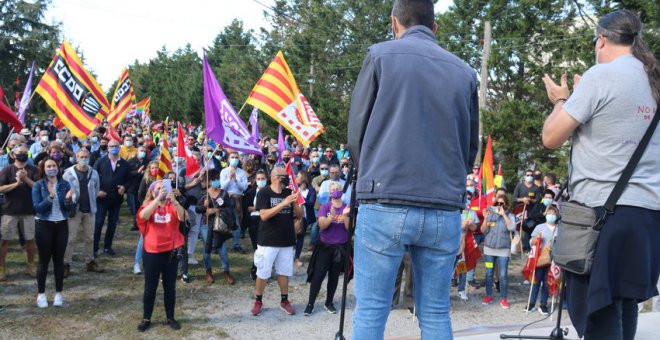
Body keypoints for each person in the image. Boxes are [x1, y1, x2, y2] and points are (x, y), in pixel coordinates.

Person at [346, 0, 479, 337]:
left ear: (395, 23)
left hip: (385, 197)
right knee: (435, 312)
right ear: (434, 28)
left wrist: (370, 174)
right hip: (443, 205)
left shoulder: (379, 56)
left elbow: (357, 132)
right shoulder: (465, 71)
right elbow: (470, 147)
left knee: (373, 309)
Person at [542, 9, 659, 340]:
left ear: (602, 39)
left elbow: (551, 137)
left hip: (602, 216)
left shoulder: (600, 76)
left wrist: (562, 99)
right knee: (624, 303)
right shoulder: (654, 77)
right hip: (646, 215)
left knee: (600, 313)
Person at [251, 167, 303, 316]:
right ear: (275, 177)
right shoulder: (264, 193)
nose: (287, 179)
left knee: (284, 272)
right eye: (284, 176)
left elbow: (300, 215)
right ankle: (258, 300)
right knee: (263, 272)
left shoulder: (288, 192)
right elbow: (264, 215)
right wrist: (283, 203)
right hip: (268, 240)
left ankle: (284, 300)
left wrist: (294, 202)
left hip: (286, 240)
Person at [136, 180, 185, 332]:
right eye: (158, 188)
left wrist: (175, 201)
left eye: (164, 188)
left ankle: (170, 317)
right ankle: (146, 318)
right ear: (152, 191)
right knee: (150, 287)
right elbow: (143, 216)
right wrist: (156, 200)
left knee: (170, 287)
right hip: (152, 252)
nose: (162, 191)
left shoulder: (172, 205)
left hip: (170, 252)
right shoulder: (148, 204)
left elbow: (183, 217)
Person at [31, 158, 75, 308]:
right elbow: (38, 208)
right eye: (48, 166)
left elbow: (70, 210)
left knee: (59, 261)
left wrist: (69, 200)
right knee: (43, 261)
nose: (51, 169)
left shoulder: (64, 184)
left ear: (58, 167)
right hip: (44, 226)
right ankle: (41, 294)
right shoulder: (38, 185)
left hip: (61, 225)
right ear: (44, 169)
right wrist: (50, 197)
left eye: (54, 166)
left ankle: (58, 293)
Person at [303, 181, 349, 316]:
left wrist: (345, 215)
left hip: (340, 248)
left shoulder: (347, 207)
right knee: (318, 276)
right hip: (324, 247)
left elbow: (349, 228)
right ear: (329, 193)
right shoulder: (325, 206)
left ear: (342, 192)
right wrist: (332, 216)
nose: (336, 191)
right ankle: (310, 303)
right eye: (333, 189)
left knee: (334, 277)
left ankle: (329, 302)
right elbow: (322, 225)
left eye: (338, 189)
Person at [0, 144, 40, 280]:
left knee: (30, 240)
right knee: (4, 240)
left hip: (29, 211)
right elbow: (1, 188)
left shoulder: (33, 169)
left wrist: (25, 179)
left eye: (24, 152)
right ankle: (2, 268)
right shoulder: (6, 170)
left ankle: (30, 266)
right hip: (9, 211)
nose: (22, 154)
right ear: (13, 155)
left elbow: (38, 188)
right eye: (19, 152)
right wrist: (16, 184)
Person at [62, 149, 104, 276]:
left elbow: (96, 190)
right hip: (74, 211)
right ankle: (65, 264)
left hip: (89, 210)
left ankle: (90, 262)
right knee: (70, 238)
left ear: (89, 157)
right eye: (81, 157)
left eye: (86, 157)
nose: (84, 159)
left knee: (90, 238)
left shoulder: (94, 173)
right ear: (76, 157)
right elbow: (64, 191)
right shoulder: (67, 173)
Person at [93, 139, 131, 256]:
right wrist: (97, 191)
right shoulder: (100, 161)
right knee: (98, 223)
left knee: (112, 223)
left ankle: (107, 246)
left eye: (116, 146)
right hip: (101, 198)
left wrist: (124, 187)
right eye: (111, 146)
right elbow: (93, 178)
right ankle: (94, 248)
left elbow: (129, 180)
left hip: (116, 199)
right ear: (108, 148)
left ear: (119, 148)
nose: (114, 148)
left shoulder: (125, 164)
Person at [197, 169, 235, 285]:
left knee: (222, 248)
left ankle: (226, 271)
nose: (216, 181)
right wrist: (204, 207)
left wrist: (217, 209)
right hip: (206, 225)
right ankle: (208, 271)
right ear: (209, 181)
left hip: (219, 225)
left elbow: (229, 209)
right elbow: (197, 209)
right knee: (207, 249)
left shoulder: (224, 193)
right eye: (213, 179)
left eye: (217, 179)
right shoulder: (204, 194)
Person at [480, 195, 516, 308]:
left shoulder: (510, 215)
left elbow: (512, 228)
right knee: (489, 273)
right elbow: (482, 230)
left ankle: (504, 299)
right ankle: (488, 295)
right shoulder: (490, 214)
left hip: (503, 250)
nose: (499, 205)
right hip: (489, 250)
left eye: (502, 203)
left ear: (506, 204)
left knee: (503, 275)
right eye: (497, 203)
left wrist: (503, 215)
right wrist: (485, 218)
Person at [526, 205, 559, 315]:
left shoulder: (559, 228)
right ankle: (531, 303)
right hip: (540, 258)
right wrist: (536, 239)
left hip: (553, 259)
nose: (551, 216)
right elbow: (531, 242)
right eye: (549, 213)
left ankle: (543, 304)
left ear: (557, 216)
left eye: (554, 214)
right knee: (536, 281)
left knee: (547, 282)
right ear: (545, 214)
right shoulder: (540, 227)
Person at [134, 161, 160, 274]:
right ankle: (137, 263)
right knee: (143, 238)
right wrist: (147, 205)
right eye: (152, 168)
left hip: (161, 211)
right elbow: (140, 195)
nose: (154, 170)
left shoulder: (162, 180)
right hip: (149, 210)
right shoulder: (146, 180)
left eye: (156, 168)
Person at [220, 151, 248, 254]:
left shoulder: (241, 172)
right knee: (223, 221)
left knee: (236, 222)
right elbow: (222, 187)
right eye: (232, 157)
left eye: (236, 157)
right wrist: (229, 177)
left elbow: (244, 187)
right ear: (228, 159)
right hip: (226, 198)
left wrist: (236, 180)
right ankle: (220, 243)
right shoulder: (224, 172)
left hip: (237, 199)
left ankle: (236, 244)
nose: (235, 159)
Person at [244, 170, 268, 280]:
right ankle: (255, 270)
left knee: (265, 248)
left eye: (263, 179)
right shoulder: (251, 192)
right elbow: (247, 207)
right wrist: (259, 208)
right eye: (258, 179)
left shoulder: (270, 191)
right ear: (255, 180)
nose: (261, 181)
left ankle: (260, 270)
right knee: (257, 247)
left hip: (267, 221)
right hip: (254, 221)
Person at [294, 170, 316, 267]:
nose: (296, 177)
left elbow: (311, 203)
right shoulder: (294, 189)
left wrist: (300, 197)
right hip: (292, 216)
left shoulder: (311, 190)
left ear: (303, 178)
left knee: (300, 237)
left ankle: (296, 258)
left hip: (304, 218)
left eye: (298, 176)